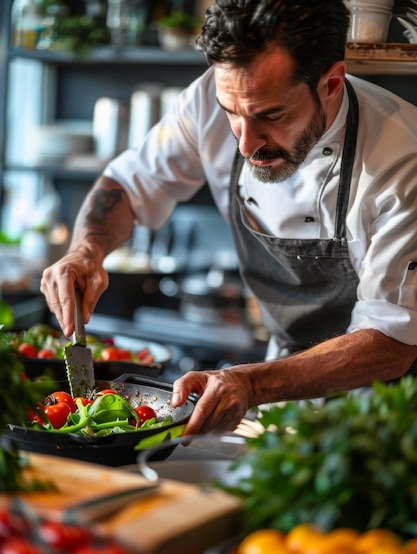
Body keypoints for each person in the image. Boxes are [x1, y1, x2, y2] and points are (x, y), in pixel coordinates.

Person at [41, 0, 417, 436]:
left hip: (391, 413)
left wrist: (251, 382)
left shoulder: (402, 160)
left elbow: (392, 339)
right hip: (285, 389)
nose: (244, 143)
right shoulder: (208, 99)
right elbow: (128, 184)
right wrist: (86, 250)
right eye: (231, 113)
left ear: (331, 83)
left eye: (271, 116)